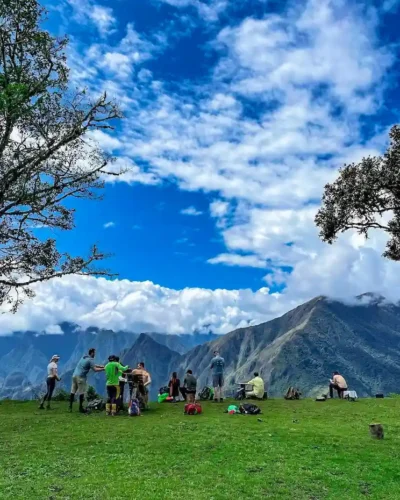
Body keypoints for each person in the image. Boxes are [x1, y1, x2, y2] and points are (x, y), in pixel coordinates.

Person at [69, 348, 104, 413]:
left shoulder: (84, 358)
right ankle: (80, 408)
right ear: (92, 353)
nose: (95, 354)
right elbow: (95, 369)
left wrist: (100, 366)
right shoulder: (91, 360)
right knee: (81, 392)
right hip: (81, 377)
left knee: (73, 391)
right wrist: (103, 369)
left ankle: (70, 407)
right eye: (94, 353)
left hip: (74, 376)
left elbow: (92, 365)